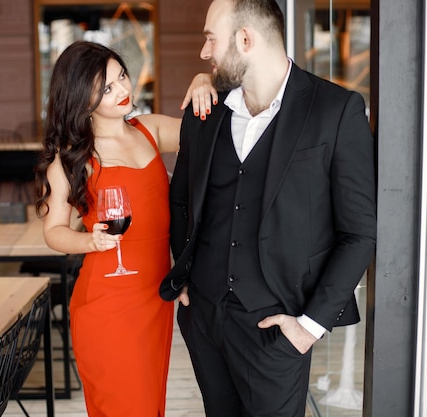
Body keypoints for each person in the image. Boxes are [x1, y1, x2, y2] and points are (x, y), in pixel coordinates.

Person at [159, 0, 377, 416]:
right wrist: (184, 275)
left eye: (211, 39)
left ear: (245, 39)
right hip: (204, 317)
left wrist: (308, 327)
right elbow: (182, 198)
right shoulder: (205, 112)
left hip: (278, 328)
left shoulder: (335, 110)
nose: (204, 53)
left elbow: (359, 232)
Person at [35, 40, 215, 417]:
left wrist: (203, 80)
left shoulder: (149, 130)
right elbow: (53, 232)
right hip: (107, 305)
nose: (123, 91)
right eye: (106, 88)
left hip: (156, 298)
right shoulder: (72, 157)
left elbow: (212, 130)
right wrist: (90, 240)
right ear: (82, 98)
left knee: (148, 406)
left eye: (122, 77)